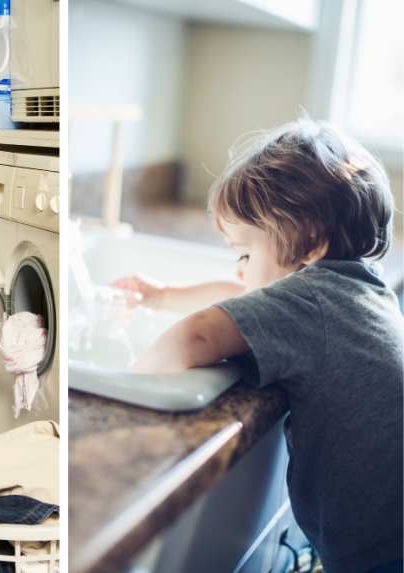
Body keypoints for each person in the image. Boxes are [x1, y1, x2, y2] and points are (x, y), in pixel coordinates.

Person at [113, 117, 403, 573]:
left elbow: (196, 336)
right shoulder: (358, 291)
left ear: (309, 239)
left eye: (245, 254)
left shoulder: (309, 301)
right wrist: (163, 295)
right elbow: (242, 295)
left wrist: (121, 392)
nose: (242, 270)